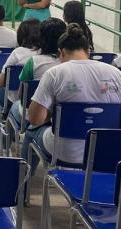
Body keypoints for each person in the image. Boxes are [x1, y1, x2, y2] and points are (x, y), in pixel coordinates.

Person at [23, 24, 121, 171]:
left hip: (65, 152)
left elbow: (35, 118)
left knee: (31, 131)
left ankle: (22, 185)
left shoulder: (54, 73)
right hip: (107, 151)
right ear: (88, 51)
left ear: (61, 52)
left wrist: (51, 115)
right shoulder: (115, 73)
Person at [8, 17, 67, 127]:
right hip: (62, 117)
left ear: (41, 38)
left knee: (14, 106)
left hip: (35, 115)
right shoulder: (69, 64)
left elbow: (22, 95)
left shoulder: (33, 62)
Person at [0, 19, 40, 94]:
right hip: (40, 99)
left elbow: (0, 83)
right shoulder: (47, 54)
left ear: (21, 35)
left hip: (15, 99)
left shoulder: (18, 52)